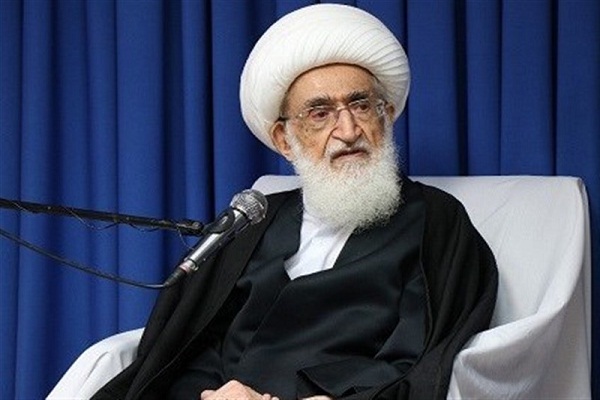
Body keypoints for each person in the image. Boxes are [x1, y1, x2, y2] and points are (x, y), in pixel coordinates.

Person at [93, 4, 497, 400]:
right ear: (284, 140)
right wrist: (213, 394)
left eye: (361, 106)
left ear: (386, 116)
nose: (348, 130)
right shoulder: (254, 220)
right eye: (320, 113)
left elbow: (421, 358)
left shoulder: (435, 219)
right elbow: (194, 343)